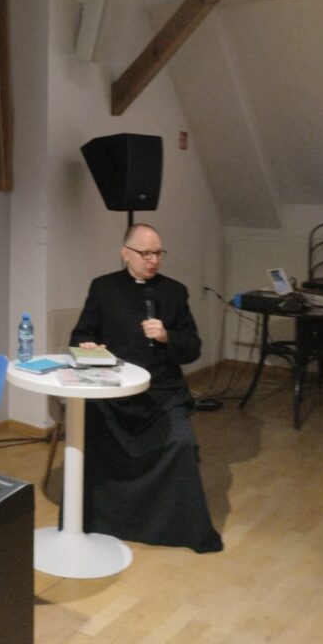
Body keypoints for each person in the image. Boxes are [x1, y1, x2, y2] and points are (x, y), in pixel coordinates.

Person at [68, 223, 223, 553]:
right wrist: (89, 346)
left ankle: (171, 527)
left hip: (161, 393)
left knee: (182, 443)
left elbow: (193, 347)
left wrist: (167, 336)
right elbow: (80, 334)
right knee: (90, 435)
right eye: (145, 253)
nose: (153, 260)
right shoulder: (103, 288)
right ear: (126, 253)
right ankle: (99, 520)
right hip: (113, 392)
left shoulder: (174, 292)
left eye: (158, 253)